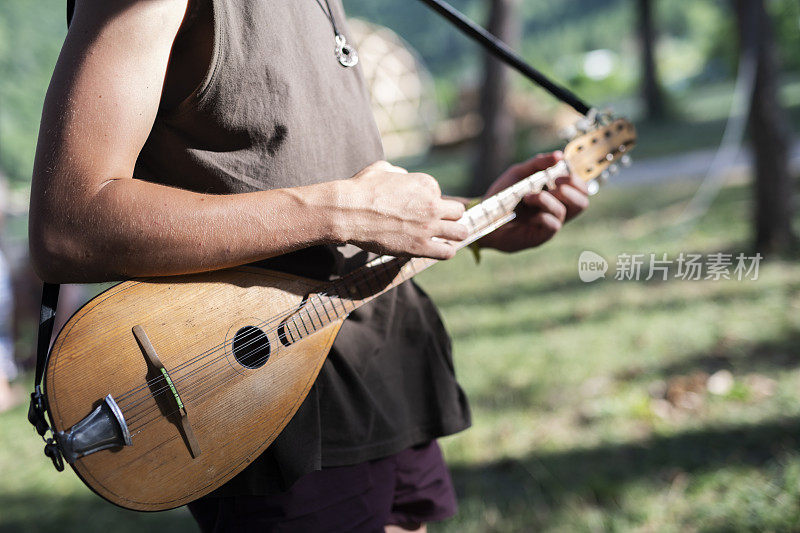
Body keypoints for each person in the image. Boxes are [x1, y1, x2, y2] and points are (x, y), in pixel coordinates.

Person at [29, 1, 588, 531]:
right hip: (255, 392)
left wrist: (478, 216)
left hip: (389, 361)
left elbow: (301, 170)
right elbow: (71, 224)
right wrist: (341, 212)